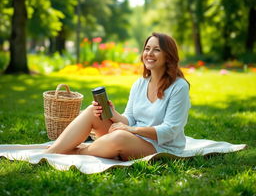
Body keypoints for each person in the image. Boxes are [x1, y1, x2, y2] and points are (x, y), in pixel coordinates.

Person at [45, 32, 191, 161]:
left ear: (168, 56)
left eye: (157, 50)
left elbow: (170, 130)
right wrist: (112, 113)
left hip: (161, 147)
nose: (149, 53)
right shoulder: (140, 84)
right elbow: (130, 118)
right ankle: (52, 151)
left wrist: (131, 130)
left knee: (119, 136)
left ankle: (73, 152)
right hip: (133, 139)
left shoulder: (179, 87)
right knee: (92, 111)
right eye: (147, 49)